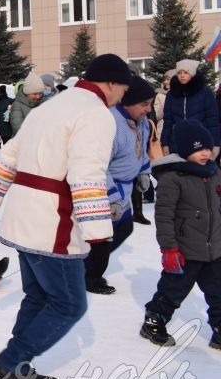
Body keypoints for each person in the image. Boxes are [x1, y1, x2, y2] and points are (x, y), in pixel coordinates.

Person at [0, 53, 132, 379]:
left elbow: (9, 153)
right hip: (53, 223)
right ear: (110, 83)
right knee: (69, 304)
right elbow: (86, 176)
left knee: (40, 295)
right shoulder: (95, 114)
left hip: (23, 216)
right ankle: (11, 362)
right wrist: (100, 234)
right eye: (123, 87)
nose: (123, 94)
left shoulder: (51, 105)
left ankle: (18, 366)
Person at [141, 119, 221, 350]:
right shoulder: (173, 179)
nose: (205, 153)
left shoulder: (215, 173)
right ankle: (154, 321)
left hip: (214, 250)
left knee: (218, 292)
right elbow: (164, 217)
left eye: (207, 148)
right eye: (198, 149)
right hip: (184, 250)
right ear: (185, 150)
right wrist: (168, 249)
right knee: (173, 291)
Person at [83, 75, 155, 295]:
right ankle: (89, 276)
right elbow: (98, 164)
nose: (148, 109)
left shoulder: (141, 122)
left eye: (150, 104)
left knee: (124, 228)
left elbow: (142, 150)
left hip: (126, 188)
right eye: (144, 104)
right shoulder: (111, 123)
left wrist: (144, 172)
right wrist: (111, 195)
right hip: (106, 188)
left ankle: (85, 267)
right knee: (101, 237)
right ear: (127, 103)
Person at [160, 59, 220, 159]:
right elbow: (167, 121)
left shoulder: (204, 92)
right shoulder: (172, 94)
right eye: (179, 72)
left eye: (186, 72)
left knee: (200, 173)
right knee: (179, 173)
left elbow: (212, 120)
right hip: (177, 143)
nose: (182, 75)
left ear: (192, 73)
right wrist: (165, 143)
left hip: (200, 143)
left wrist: (216, 144)